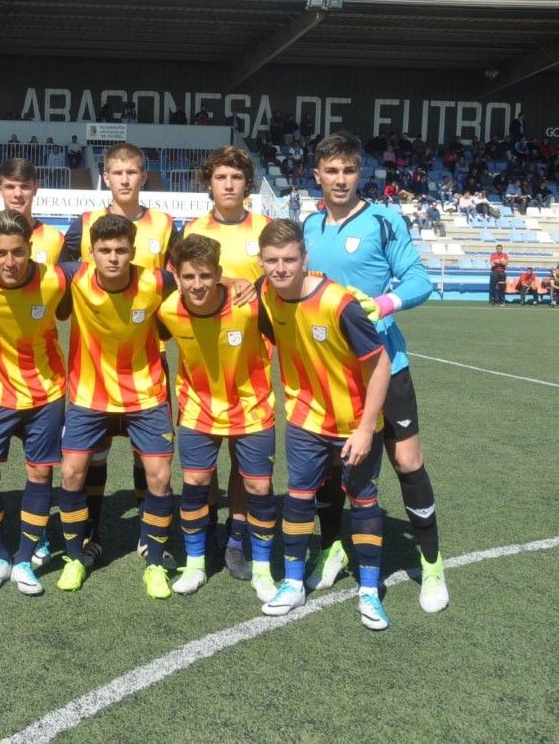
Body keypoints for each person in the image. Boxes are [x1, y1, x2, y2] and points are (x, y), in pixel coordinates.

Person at [302, 131, 448, 614]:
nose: (340, 180)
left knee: (407, 463)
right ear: (317, 175)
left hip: (387, 366)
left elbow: (420, 281)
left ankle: (431, 565)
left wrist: (383, 302)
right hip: (329, 372)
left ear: (358, 173)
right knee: (333, 469)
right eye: (332, 171)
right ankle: (332, 548)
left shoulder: (385, 220)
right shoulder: (308, 226)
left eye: (348, 170)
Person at [257, 218, 394, 630]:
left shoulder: (339, 303)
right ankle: (294, 582)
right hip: (304, 418)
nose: (280, 268)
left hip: (354, 421)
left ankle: (370, 590)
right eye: (271, 260)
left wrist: (367, 428)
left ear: (305, 258)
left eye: (289, 259)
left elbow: (382, 364)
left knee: (363, 499)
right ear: (261, 262)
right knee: (298, 497)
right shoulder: (266, 292)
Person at [61, 141, 177, 566]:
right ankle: (88, 531)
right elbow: (58, 277)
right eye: (116, 173)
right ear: (105, 177)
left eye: (133, 173)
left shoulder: (165, 224)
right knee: (94, 456)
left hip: (149, 358)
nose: (125, 180)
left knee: (147, 459)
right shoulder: (85, 223)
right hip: (93, 364)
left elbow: (180, 281)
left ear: (143, 177)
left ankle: (149, 538)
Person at [158, 234, 278, 601]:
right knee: (194, 482)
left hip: (252, 408)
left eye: (206, 277)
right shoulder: (167, 311)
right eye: (189, 277)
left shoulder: (250, 306)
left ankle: (261, 568)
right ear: (177, 277)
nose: (197, 285)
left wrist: (241, 284)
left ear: (219, 275)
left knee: (258, 487)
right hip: (198, 408)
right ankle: (195, 565)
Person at [0, 210, 70, 594]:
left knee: (39, 475)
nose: (10, 262)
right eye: (1, 253)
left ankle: (24, 558)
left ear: (31, 249)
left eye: (18, 252)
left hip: (46, 394)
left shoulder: (55, 280)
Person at [181, 144, 270, 581]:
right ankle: (207, 530)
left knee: (244, 460)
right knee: (202, 463)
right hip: (201, 361)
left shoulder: (268, 230)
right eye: (220, 177)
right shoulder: (194, 230)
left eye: (236, 177)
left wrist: (257, 287)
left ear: (246, 183)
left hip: (251, 361)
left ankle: (238, 536)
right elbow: (181, 286)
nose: (229, 184)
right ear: (209, 182)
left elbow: (281, 283)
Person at [0, 158, 66, 266]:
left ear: (35, 189)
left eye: (25, 186)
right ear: (0, 190)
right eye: (10, 187)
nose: (17, 194)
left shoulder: (56, 239)